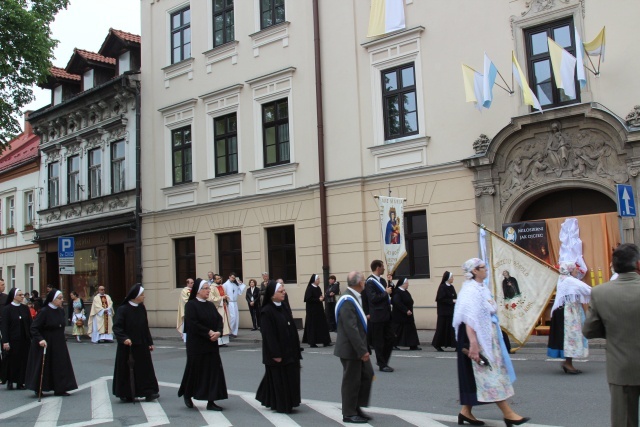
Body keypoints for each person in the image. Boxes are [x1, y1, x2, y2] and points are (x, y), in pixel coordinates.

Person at [453, 258, 529, 427]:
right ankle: (508, 414)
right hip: (477, 339)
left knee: (480, 377)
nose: (486, 269)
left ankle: (466, 412)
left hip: (487, 337)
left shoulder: (481, 288)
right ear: (474, 271)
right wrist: (473, 343)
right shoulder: (470, 291)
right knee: (490, 374)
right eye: (482, 267)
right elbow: (468, 320)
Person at [583, 243, 640, 427]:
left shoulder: (600, 293)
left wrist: (611, 328)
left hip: (621, 367)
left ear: (614, 266)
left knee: (623, 421)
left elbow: (589, 330)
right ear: (638, 264)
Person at [179, 278, 228, 411]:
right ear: (198, 291)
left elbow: (219, 319)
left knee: (213, 372)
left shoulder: (210, 305)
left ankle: (211, 400)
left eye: (208, 288)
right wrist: (208, 332)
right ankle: (187, 394)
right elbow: (193, 324)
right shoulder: (191, 305)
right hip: (197, 345)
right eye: (206, 288)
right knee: (195, 371)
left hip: (211, 344)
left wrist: (218, 332)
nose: (209, 290)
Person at [256, 280, 302, 414]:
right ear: (272, 294)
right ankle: (282, 405)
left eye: (284, 291)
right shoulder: (266, 311)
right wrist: (275, 354)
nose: (284, 293)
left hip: (290, 351)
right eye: (280, 291)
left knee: (290, 378)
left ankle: (291, 401)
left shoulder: (284, 306)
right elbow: (268, 335)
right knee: (279, 381)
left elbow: (291, 328)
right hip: (277, 353)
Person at [334, 271, 374, 424]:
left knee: (367, 374)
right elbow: (351, 329)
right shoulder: (347, 300)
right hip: (351, 350)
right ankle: (349, 413)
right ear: (359, 283)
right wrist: (362, 350)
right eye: (363, 280)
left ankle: (356, 406)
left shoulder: (354, 297)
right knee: (351, 381)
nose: (365, 282)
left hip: (357, 348)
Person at [25, 289, 78, 397]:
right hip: (46, 342)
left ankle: (60, 388)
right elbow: (34, 328)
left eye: (62, 298)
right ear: (53, 299)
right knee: (45, 366)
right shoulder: (44, 311)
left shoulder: (60, 310)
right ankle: (39, 388)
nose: (62, 300)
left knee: (60, 365)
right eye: (59, 298)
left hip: (59, 342)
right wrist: (40, 339)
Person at [112, 284, 160, 402]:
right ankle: (126, 393)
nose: (144, 297)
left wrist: (149, 342)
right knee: (127, 370)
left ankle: (148, 391)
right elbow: (117, 327)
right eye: (142, 295)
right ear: (135, 296)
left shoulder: (141, 308)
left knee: (145, 369)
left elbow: (145, 326)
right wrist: (124, 338)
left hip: (142, 344)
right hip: (128, 346)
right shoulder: (123, 309)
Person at [547, 261, 591, 374]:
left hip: (566, 312)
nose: (577, 271)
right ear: (570, 270)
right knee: (570, 336)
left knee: (569, 338)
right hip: (568, 314)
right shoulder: (569, 280)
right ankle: (568, 363)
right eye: (575, 269)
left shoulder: (563, 279)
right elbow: (586, 289)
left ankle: (568, 362)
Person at [365, 260, 394, 372]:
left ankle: (383, 360)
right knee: (379, 341)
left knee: (391, 338)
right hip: (377, 315)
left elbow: (389, 293)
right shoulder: (370, 282)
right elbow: (373, 298)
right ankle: (382, 364)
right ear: (378, 268)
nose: (384, 269)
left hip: (386, 314)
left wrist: (390, 283)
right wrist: (385, 293)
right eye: (382, 267)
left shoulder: (382, 280)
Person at [1, 288, 32, 389]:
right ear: (14, 296)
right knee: (12, 361)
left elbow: (30, 323)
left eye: (22, 295)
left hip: (24, 340)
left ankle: (20, 382)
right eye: (20, 295)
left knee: (23, 361)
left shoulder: (25, 308)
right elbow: (4, 327)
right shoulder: (7, 309)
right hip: (12, 340)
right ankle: (10, 381)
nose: (22, 296)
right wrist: (5, 341)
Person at [302, 274, 332, 348]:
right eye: (318, 279)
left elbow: (320, 296)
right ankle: (312, 342)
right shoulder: (310, 288)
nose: (319, 280)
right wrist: (318, 299)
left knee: (323, 325)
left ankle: (325, 341)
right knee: (313, 326)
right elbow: (307, 299)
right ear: (314, 280)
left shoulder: (318, 288)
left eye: (319, 279)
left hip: (319, 309)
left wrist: (322, 297)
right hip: (312, 311)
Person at [391, 278, 421, 351]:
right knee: (397, 331)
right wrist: (406, 310)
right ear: (403, 284)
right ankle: (393, 344)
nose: (408, 284)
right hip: (399, 316)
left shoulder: (405, 291)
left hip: (408, 316)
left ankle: (413, 345)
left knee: (411, 330)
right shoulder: (397, 292)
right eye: (407, 283)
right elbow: (397, 302)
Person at [432, 271, 457, 352]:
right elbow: (440, 299)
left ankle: (455, 344)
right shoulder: (442, 287)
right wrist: (452, 301)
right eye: (452, 277)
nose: (453, 279)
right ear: (448, 278)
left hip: (451, 312)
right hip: (443, 312)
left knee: (452, 329)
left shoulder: (451, 287)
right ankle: (437, 344)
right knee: (441, 329)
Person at [208, 274, 231, 346]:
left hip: (224, 307)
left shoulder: (222, 286)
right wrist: (222, 298)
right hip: (218, 308)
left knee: (225, 323)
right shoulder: (212, 287)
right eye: (217, 279)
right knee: (220, 323)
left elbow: (225, 295)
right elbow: (211, 298)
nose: (219, 280)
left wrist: (226, 298)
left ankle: (224, 341)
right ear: (214, 280)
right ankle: (218, 342)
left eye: (220, 278)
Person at [222, 273, 246, 337]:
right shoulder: (225, 284)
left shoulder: (235, 285)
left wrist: (240, 284)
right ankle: (229, 331)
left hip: (234, 302)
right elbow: (223, 293)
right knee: (232, 317)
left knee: (236, 317)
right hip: (229, 302)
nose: (233, 279)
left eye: (234, 278)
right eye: (232, 277)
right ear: (229, 277)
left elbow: (239, 291)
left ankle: (234, 332)